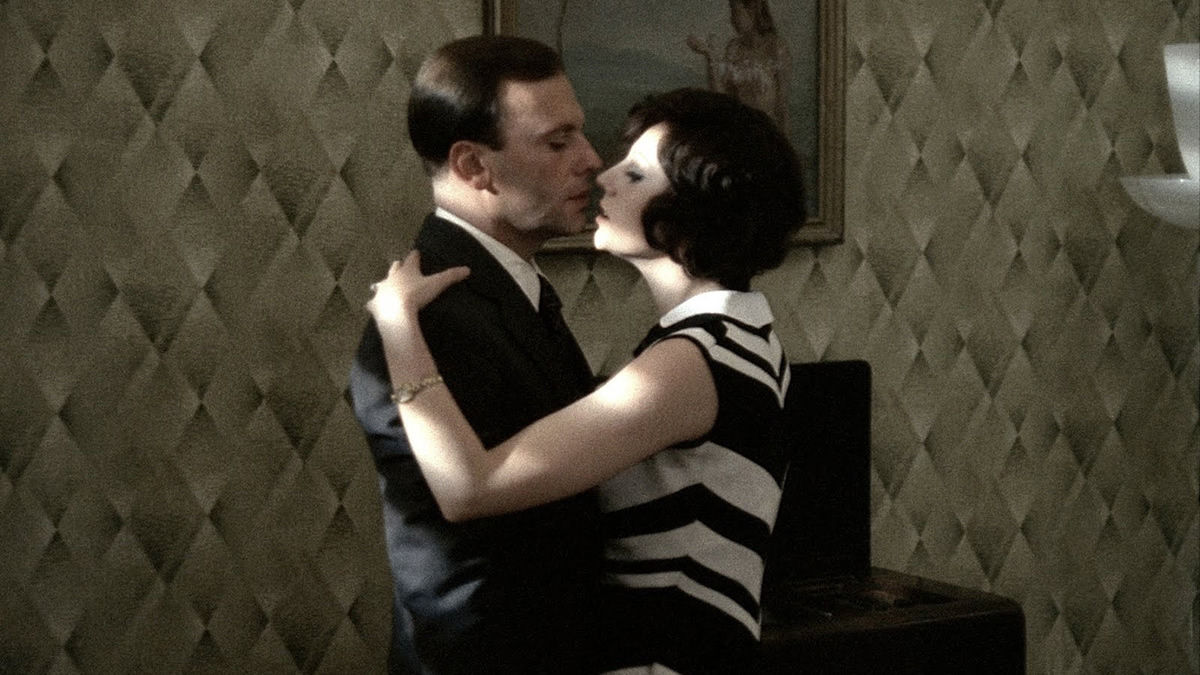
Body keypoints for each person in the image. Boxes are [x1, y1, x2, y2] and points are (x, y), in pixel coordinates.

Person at [365, 88, 805, 674]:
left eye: (636, 174)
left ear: (693, 212)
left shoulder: (691, 360)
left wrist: (398, 325)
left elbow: (469, 488)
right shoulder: (741, 334)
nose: (604, 175)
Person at [347, 36, 604, 673]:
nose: (592, 160)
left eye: (580, 134)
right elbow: (462, 569)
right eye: (558, 142)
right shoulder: (433, 314)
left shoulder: (502, 286)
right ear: (473, 166)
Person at [687, 0, 791, 134]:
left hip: (766, 132)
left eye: (735, 13)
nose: (732, 20)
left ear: (752, 12)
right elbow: (723, 98)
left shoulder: (776, 48)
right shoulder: (733, 48)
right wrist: (710, 56)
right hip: (738, 130)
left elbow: (782, 105)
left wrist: (784, 142)